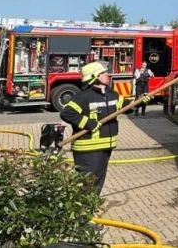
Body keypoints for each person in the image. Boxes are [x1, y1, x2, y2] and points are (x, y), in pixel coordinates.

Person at [60, 61, 149, 195]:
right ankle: (80, 214)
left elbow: (125, 107)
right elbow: (66, 113)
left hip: (105, 147)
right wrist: (88, 123)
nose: (107, 75)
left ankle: (89, 210)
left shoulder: (110, 93)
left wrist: (139, 102)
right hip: (88, 149)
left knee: (97, 185)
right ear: (95, 77)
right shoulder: (84, 97)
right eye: (103, 73)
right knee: (86, 184)